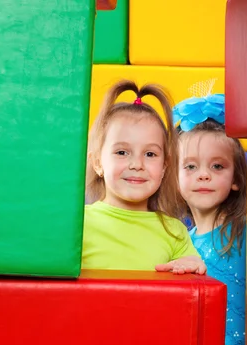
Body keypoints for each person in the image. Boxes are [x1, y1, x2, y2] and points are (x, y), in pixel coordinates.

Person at [82, 79, 206, 275]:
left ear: (165, 166)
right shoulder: (80, 225)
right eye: (122, 152)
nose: (137, 165)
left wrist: (193, 268)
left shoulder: (174, 232)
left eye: (150, 154)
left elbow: (189, 293)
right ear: (97, 162)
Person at [174, 94, 247, 345]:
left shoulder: (243, 231)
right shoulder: (178, 239)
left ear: (235, 179)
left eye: (217, 166)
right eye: (190, 166)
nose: (203, 174)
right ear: (174, 176)